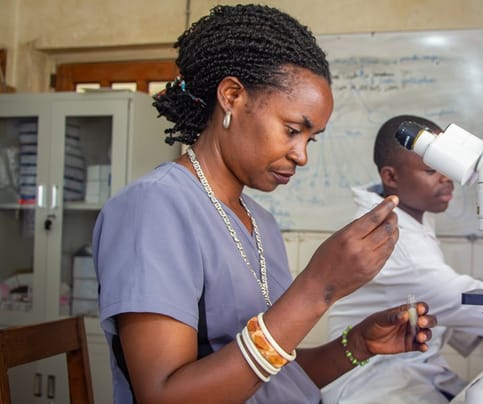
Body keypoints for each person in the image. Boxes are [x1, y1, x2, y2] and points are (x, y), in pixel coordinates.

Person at [92, 6, 437, 404]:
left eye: (311, 139)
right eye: (293, 130)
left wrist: (357, 345)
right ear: (232, 97)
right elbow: (166, 395)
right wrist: (319, 287)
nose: (302, 155)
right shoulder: (154, 207)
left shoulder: (260, 222)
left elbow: (269, 377)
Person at [322, 115, 483, 404]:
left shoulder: (408, 218)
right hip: (374, 389)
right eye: (431, 170)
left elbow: (436, 300)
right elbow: (461, 301)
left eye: (446, 168)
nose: (446, 178)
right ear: (391, 177)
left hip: (413, 375)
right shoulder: (389, 238)